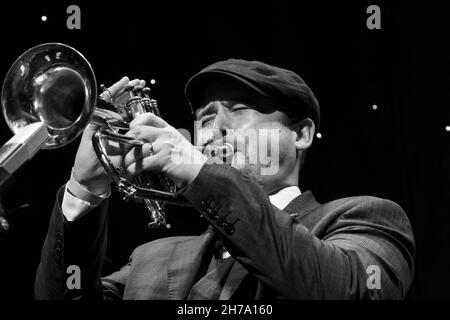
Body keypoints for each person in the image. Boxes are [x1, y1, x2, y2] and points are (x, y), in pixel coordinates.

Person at [35, 59, 415, 299]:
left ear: (300, 134)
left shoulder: (365, 218)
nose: (214, 130)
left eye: (238, 110)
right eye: (203, 118)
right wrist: (84, 188)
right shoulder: (151, 257)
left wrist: (203, 175)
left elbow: (348, 292)